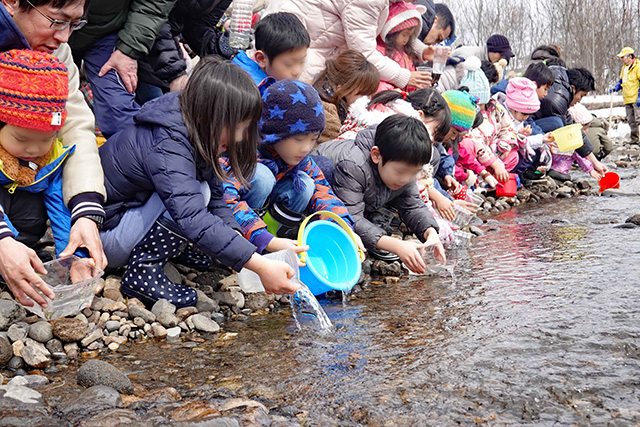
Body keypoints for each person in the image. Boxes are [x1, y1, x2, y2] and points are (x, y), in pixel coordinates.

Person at [99, 58, 301, 308]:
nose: (240, 137)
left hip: (131, 213)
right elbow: (192, 217)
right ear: (212, 115)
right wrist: (258, 264)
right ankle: (142, 273)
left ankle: (174, 248)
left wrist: (236, 240)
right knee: (196, 193)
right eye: (237, 127)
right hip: (104, 238)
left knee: (204, 191)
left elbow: (217, 198)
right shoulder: (169, 143)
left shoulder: (194, 125)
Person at [0, 0, 107, 293]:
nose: (64, 37)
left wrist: (86, 212)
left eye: (74, 24)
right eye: (57, 21)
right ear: (11, 2)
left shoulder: (56, 50)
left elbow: (75, 127)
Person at [222, 79, 361, 255]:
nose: (306, 148)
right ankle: (253, 242)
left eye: (313, 139)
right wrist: (262, 238)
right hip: (233, 227)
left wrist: (344, 229)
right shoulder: (241, 149)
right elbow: (225, 197)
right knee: (262, 177)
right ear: (274, 134)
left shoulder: (300, 158)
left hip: (267, 218)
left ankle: (275, 238)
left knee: (306, 185)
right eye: (298, 139)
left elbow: (324, 193)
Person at [0, 50, 87, 307]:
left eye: (46, 139)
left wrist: (71, 256)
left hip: (24, 233)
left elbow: (59, 207)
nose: (34, 150)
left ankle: (23, 257)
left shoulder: (49, 158)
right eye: (22, 139)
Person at [317, 115, 445, 274]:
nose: (406, 179)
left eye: (414, 173)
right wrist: (395, 245)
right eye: (401, 172)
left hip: (364, 193)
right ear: (376, 155)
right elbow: (350, 217)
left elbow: (413, 205)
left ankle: (376, 232)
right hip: (318, 191)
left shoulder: (403, 167)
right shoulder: (353, 164)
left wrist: (430, 232)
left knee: (399, 188)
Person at [68, 0, 178, 138]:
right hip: (50, 21)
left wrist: (128, 49)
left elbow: (155, 4)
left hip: (107, 32)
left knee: (118, 110)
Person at [268, 0, 436, 89]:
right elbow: (364, 54)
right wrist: (403, 76)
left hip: (312, 39)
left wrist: (418, 49)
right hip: (305, 43)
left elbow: (396, 21)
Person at [532, 65, 607, 176]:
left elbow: (572, 126)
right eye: (581, 95)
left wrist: (595, 162)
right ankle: (534, 166)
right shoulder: (557, 99)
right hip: (527, 128)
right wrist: (593, 164)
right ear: (573, 88)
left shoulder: (561, 85)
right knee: (556, 124)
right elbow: (570, 131)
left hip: (531, 124)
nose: (579, 101)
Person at [232, 12, 310, 94]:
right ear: (261, 58)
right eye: (289, 64)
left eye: (302, 62)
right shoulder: (252, 92)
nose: (297, 71)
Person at [312, 50, 380, 143]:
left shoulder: (342, 106)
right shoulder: (324, 113)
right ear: (341, 89)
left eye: (370, 94)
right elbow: (337, 147)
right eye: (362, 93)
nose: (367, 99)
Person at [376, 1, 426, 92]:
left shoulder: (406, 53)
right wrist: (393, 92)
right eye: (404, 35)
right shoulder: (380, 52)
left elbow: (411, 78)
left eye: (409, 36)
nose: (406, 39)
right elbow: (378, 81)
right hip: (389, 98)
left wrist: (417, 87)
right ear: (392, 32)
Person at [610, 47, 640, 145]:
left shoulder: (638, 66)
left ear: (630, 57)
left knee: (638, 119)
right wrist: (616, 87)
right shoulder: (625, 68)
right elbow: (622, 81)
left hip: (636, 98)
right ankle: (634, 139)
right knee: (631, 120)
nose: (621, 59)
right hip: (627, 98)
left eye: (623, 57)